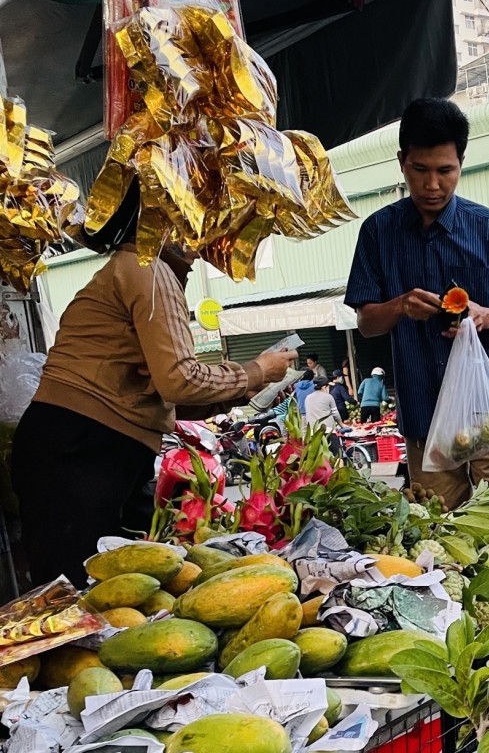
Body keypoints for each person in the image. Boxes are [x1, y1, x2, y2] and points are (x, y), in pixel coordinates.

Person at [11, 179, 296, 587]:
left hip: (82, 446)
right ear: (166, 221)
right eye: (197, 221)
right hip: (80, 449)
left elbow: (164, 392)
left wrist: (247, 388)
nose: (202, 244)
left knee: (107, 587)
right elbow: (179, 382)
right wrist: (254, 372)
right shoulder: (149, 269)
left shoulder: (140, 270)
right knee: (73, 591)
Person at [345, 98, 489, 509]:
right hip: (424, 415)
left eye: (446, 171)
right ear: (402, 162)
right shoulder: (378, 232)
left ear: (461, 163)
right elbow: (366, 323)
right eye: (421, 170)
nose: (433, 185)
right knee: (442, 537)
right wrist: (398, 306)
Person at [305, 376, 343, 455]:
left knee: (319, 458)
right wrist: (341, 424)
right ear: (324, 387)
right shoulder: (328, 397)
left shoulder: (308, 398)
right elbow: (335, 414)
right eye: (328, 387)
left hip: (313, 433)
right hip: (328, 431)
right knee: (338, 456)